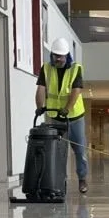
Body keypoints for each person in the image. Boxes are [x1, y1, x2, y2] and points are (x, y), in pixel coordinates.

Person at [36, 37, 89, 194]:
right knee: (58, 151)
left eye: (61, 56)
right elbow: (40, 89)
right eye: (55, 55)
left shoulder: (75, 68)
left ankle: (82, 179)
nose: (58, 59)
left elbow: (76, 90)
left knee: (79, 150)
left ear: (67, 56)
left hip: (75, 117)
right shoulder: (46, 69)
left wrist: (67, 108)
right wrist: (40, 107)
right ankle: (60, 181)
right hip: (56, 118)